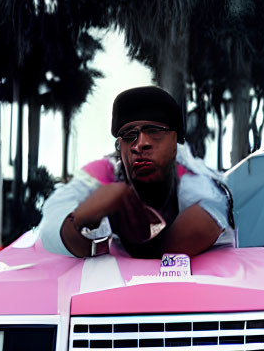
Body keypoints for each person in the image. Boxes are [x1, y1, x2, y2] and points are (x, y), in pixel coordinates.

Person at [39, 85, 234, 259]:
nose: (140, 144)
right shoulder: (104, 173)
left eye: (155, 132)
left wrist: (140, 244)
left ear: (176, 143)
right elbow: (50, 223)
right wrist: (82, 217)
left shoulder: (194, 178)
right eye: (130, 135)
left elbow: (208, 221)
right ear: (119, 146)